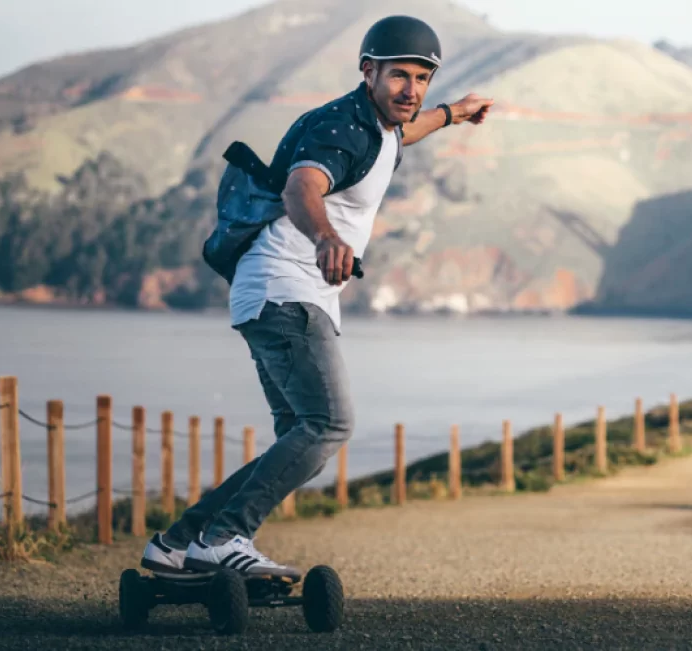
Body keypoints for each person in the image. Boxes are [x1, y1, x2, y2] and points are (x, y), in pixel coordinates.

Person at [140, 15, 493, 579]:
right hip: (287, 288)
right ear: (367, 71)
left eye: (422, 80)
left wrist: (455, 113)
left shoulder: (377, 124)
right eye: (399, 77)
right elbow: (303, 184)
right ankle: (225, 536)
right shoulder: (343, 129)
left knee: (298, 432)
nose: (411, 91)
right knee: (329, 424)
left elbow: (406, 129)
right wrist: (326, 237)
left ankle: (179, 543)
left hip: (274, 293)